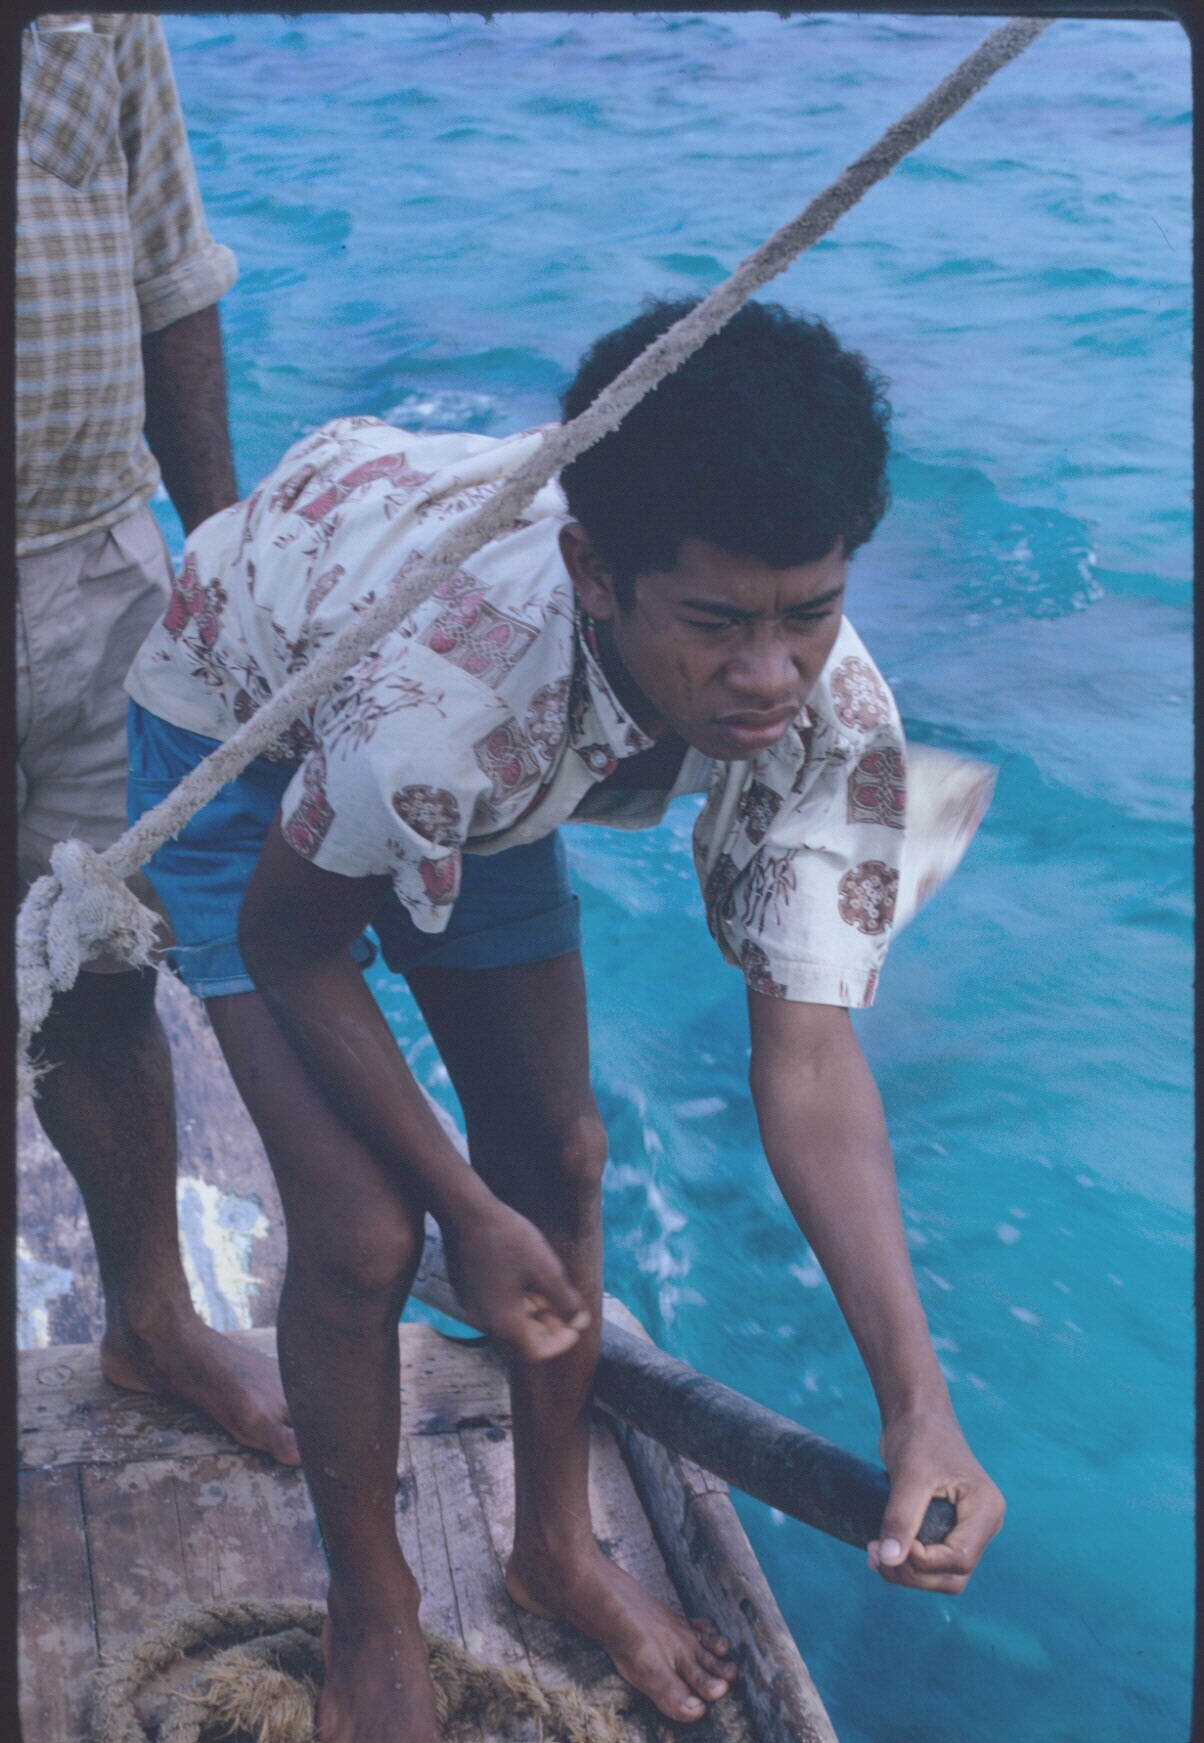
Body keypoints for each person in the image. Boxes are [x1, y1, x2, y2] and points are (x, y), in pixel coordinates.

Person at [124, 298, 1006, 1742]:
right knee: (364, 1231)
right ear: (596, 571)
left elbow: (807, 1060)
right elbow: (293, 948)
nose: (768, 676)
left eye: (808, 613)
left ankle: (554, 1547)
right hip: (250, 716)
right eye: (717, 624)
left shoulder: (830, 712)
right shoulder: (445, 705)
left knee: (564, 1158)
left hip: (479, 738)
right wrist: (462, 1209)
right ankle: (373, 1608)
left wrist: (918, 1403)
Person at [16, 13, 297, 1463]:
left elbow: (171, 280)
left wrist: (227, 570)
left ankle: (149, 1319)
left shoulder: (104, 20)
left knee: (105, 960)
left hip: (100, 559)